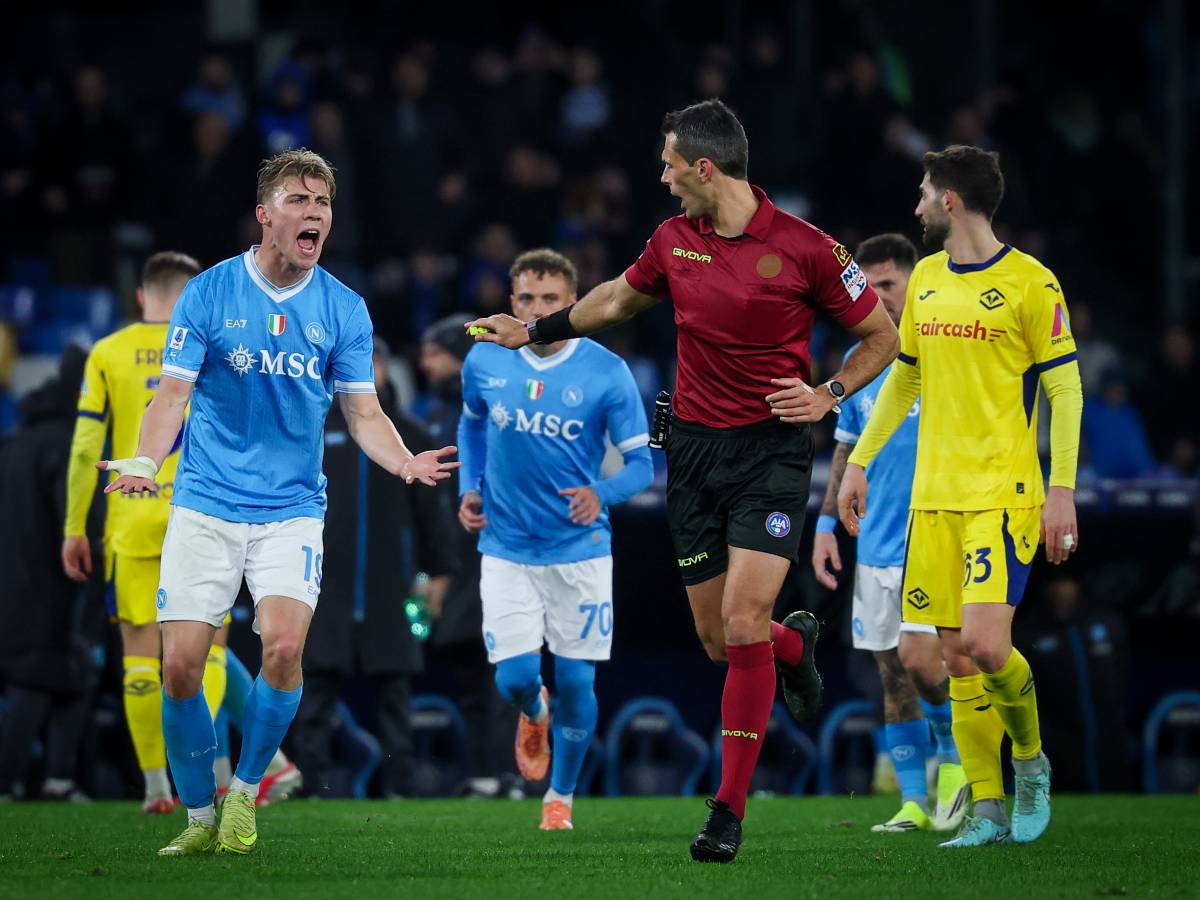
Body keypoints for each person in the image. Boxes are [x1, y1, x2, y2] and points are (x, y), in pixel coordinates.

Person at [468, 100, 900, 862]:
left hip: (773, 452)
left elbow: (883, 337)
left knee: (738, 624)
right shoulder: (673, 241)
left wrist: (828, 395)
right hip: (694, 455)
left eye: (670, 165)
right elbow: (612, 300)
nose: (663, 179)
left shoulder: (810, 249)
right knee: (717, 639)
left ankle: (727, 811)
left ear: (706, 168)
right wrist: (533, 330)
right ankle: (793, 651)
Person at [99, 149, 458, 857]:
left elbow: (363, 413)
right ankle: (198, 816)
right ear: (266, 215)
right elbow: (172, 396)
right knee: (179, 669)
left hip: (291, 508)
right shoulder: (207, 294)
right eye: (299, 199)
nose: (315, 212)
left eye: (323, 201)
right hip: (205, 501)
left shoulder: (343, 309)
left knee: (286, 651)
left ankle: (244, 794)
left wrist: (403, 460)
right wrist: (146, 458)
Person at [839, 145, 1082, 848]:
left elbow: (1063, 388)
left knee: (982, 643)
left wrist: (1059, 488)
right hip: (932, 499)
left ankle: (1031, 761)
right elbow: (907, 377)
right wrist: (860, 460)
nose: (915, 205)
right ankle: (985, 809)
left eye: (922, 192)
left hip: (1002, 493)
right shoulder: (930, 283)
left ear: (950, 199)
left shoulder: (1032, 284)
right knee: (938, 660)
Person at [459, 248, 653, 830]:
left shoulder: (606, 371)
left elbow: (643, 468)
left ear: (571, 303)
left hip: (580, 551)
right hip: (506, 547)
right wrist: (470, 487)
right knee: (515, 678)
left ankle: (559, 798)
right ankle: (533, 711)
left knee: (577, 678)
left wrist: (602, 493)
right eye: (526, 299)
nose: (537, 309)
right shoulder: (485, 360)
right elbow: (471, 424)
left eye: (550, 300)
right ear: (511, 303)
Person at [62, 251, 236, 814]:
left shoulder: (107, 351)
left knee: (140, 655)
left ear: (141, 296)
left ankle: (156, 789)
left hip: (133, 515)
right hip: (204, 512)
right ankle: (213, 773)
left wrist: (74, 527)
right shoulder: (218, 344)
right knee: (208, 651)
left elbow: (87, 445)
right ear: (192, 298)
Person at [811, 233, 967, 834]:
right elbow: (847, 453)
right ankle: (912, 802)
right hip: (873, 544)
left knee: (929, 663)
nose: (875, 297)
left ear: (912, 284)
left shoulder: (946, 355)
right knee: (892, 673)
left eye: (887, 285)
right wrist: (825, 524)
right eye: (866, 287)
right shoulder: (862, 367)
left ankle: (954, 767)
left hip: (936, 534)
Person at [294, 336, 458, 798]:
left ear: (385, 369)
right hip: (323, 587)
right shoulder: (310, 431)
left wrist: (435, 579)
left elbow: (434, 523)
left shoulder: (413, 435)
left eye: (371, 361)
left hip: (392, 589)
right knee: (315, 693)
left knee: (395, 695)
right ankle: (310, 785)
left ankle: (400, 788)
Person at [419, 314, 521, 799]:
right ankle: (484, 771)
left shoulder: (501, 410)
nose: (425, 365)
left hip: (499, 557)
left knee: (507, 672)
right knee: (468, 675)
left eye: (435, 355)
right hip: (456, 570)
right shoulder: (432, 418)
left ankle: (514, 773)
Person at [0, 346, 100, 802]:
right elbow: (73, 521)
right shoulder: (68, 442)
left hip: (13, 578)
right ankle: (9, 781)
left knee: (72, 677)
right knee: (36, 680)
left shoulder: (18, 438)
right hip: (51, 582)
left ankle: (59, 779)